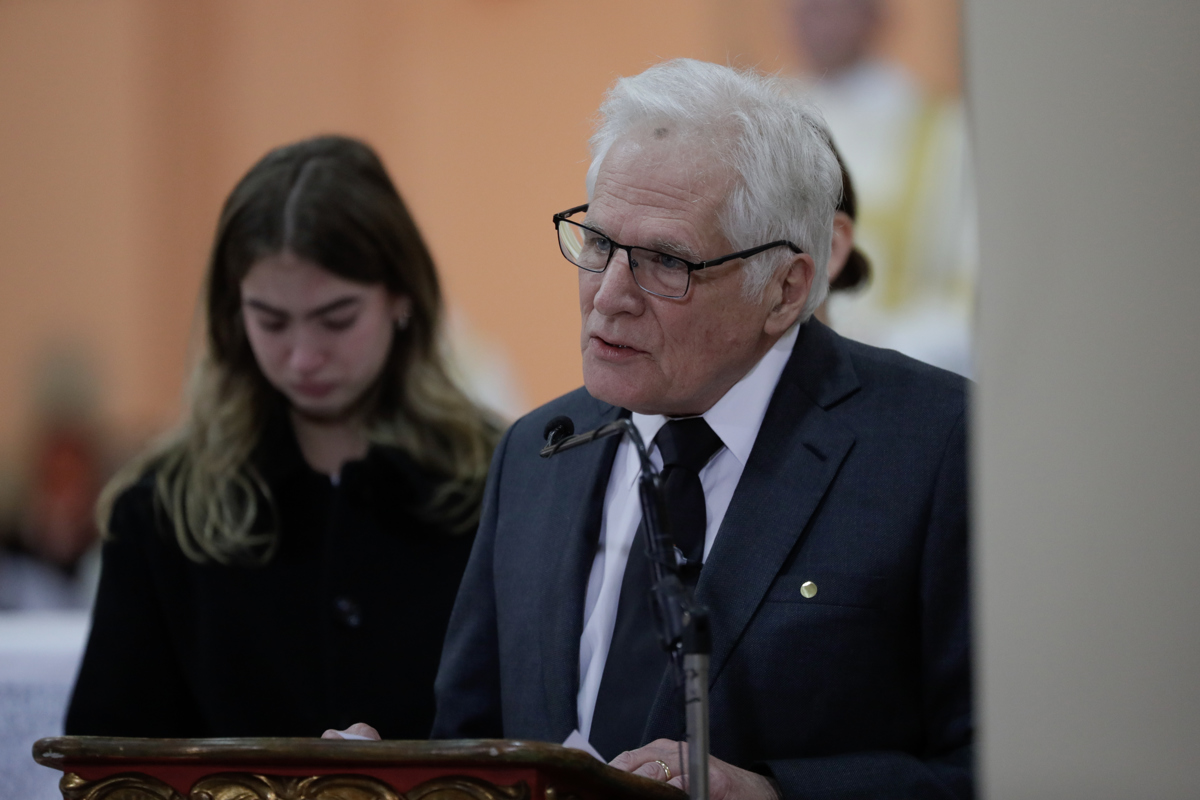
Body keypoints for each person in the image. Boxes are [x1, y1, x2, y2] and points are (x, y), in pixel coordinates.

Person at [65, 135, 501, 738]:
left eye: (336, 318)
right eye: (271, 321)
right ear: (232, 316)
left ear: (402, 297)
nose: (302, 358)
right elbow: (107, 765)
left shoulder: (500, 482)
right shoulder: (162, 509)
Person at [790, 0, 976, 376]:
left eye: (829, 5)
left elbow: (972, 298)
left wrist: (869, 343)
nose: (811, 14)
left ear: (876, 11)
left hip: (893, 370)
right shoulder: (764, 121)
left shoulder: (944, 132)